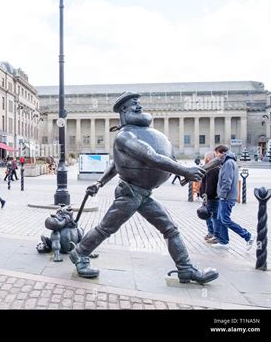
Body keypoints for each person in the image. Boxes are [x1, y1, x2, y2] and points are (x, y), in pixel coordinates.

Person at [68, 92, 218, 284]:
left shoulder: (133, 134)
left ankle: (186, 269)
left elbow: (116, 164)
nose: (139, 107)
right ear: (123, 110)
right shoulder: (125, 136)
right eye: (133, 105)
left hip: (143, 193)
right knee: (106, 228)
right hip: (130, 193)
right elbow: (151, 156)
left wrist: (99, 183)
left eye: (139, 104)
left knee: (170, 229)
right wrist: (185, 170)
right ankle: (79, 253)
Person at [211, 145, 254, 251]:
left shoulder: (228, 163)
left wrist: (222, 195)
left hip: (227, 197)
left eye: (216, 153)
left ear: (222, 153)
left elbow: (227, 182)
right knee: (220, 219)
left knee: (225, 219)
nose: (215, 155)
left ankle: (248, 236)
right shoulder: (227, 162)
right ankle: (224, 241)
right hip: (226, 196)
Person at [199, 152, 220, 243]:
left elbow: (209, 185)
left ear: (208, 158)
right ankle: (212, 232)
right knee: (210, 216)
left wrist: (205, 196)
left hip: (211, 197)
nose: (205, 159)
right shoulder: (211, 168)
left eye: (205, 158)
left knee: (211, 216)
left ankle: (214, 234)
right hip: (211, 197)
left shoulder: (212, 169)